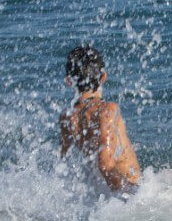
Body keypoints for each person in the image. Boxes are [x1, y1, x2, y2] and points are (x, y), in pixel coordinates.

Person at [60, 45, 141, 191]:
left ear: (68, 81)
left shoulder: (67, 117)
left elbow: (63, 161)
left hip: (101, 194)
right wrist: (132, 193)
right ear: (103, 77)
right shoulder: (107, 111)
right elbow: (105, 164)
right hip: (125, 190)